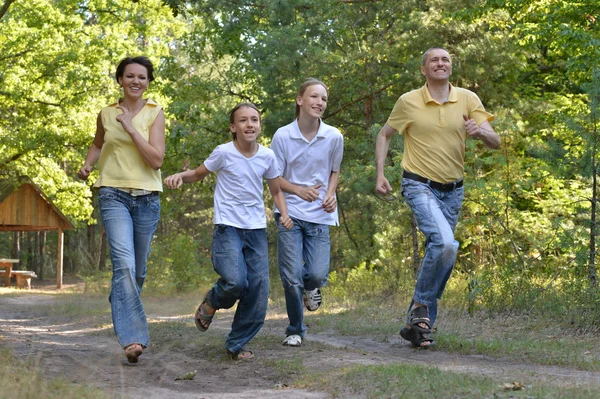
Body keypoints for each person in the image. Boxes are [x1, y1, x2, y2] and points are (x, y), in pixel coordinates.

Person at [375, 47, 500, 348]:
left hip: (454, 191)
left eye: (445, 60)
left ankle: (415, 325)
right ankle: (422, 310)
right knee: (445, 243)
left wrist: (480, 132)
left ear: (450, 67)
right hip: (419, 184)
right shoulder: (409, 101)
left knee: (443, 251)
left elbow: (495, 141)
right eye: (434, 59)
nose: (440, 63)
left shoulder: (468, 99)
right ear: (424, 69)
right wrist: (380, 174)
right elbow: (384, 134)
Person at [163, 103, 293, 360]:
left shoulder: (267, 156)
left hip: (255, 228)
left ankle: (237, 343)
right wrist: (179, 175)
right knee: (235, 280)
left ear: (259, 125)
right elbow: (199, 174)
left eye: (254, 120)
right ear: (233, 127)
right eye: (243, 120)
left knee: (257, 288)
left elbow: (276, 190)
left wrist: (284, 214)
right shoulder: (223, 152)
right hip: (227, 226)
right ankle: (212, 301)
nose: (249, 124)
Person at [78, 56, 165, 363]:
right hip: (112, 193)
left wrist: (130, 128)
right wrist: (88, 164)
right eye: (130, 76)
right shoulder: (106, 113)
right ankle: (133, 338)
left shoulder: (155, 113)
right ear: (120, 80)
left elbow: (156, 160)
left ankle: (120, 299)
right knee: (124, 265)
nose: (136, 81)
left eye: (142, 77)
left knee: (137, 271)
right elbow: (98, 143)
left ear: (148, 82)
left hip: (147, 197)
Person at [271, 78, 344, 347]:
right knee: (291, 276)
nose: (319, 103)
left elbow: (334, 170)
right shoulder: (282, 135)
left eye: (323, 99)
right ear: (300, 100)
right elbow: (274, 178)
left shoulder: (334, 136)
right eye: (314, 97)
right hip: (289, 214)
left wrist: (330, 193)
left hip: (320, 215)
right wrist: (298, 190)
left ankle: (310, 288)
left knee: (315, 273)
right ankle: (295, 329)